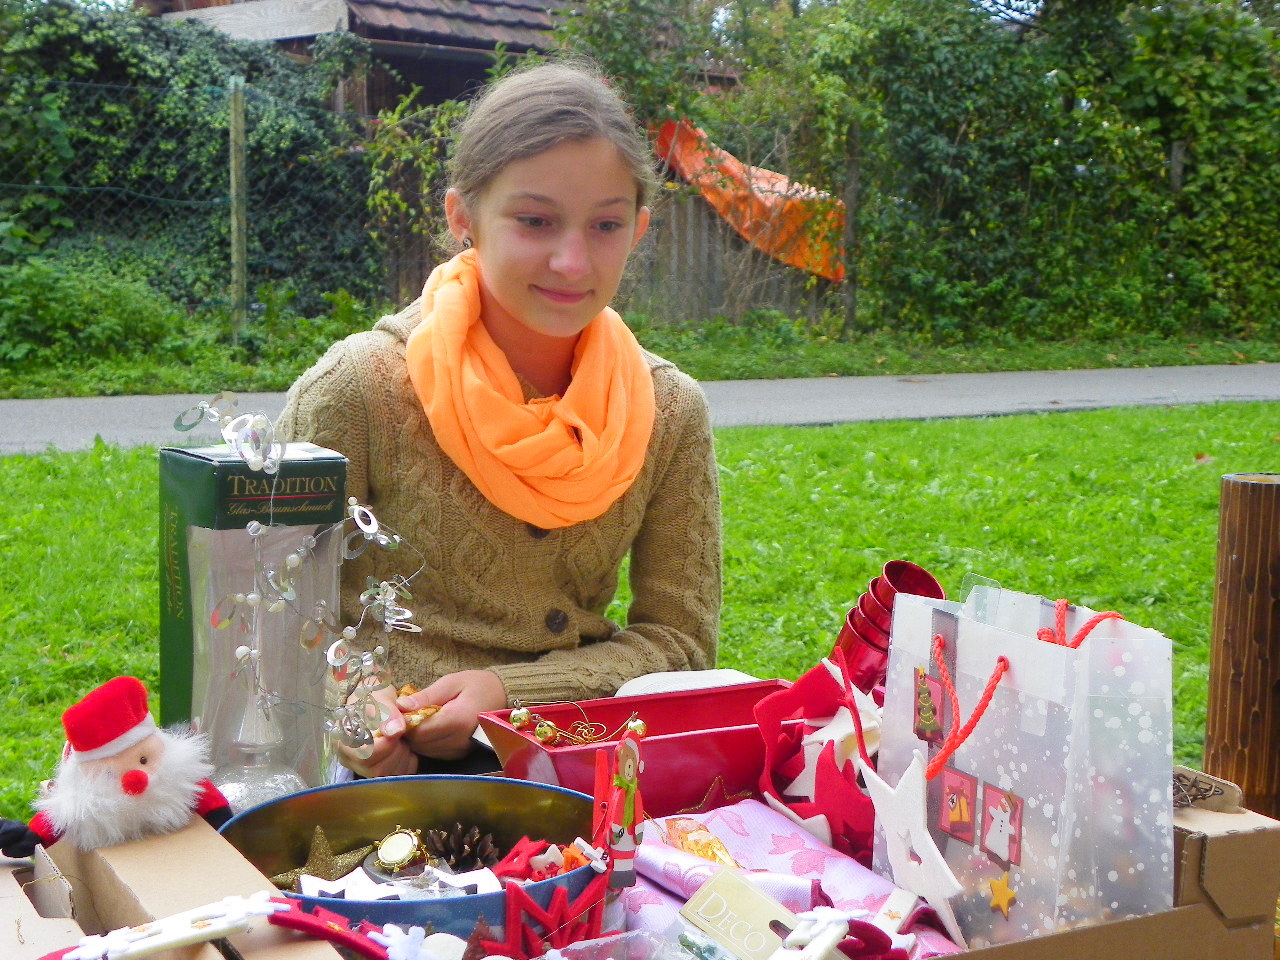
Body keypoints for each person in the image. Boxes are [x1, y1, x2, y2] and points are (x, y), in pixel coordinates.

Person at [278, 59, 722, 779]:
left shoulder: (667, 410)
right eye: (535, 220)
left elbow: (682, 643)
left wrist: (509, 696)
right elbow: (273, 610)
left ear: (638, 229)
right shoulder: (358, 388)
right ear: (463, 217)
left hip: (568, 763)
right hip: (373, 777)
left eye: (606, 225)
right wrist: (353, 703)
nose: (572, 260)